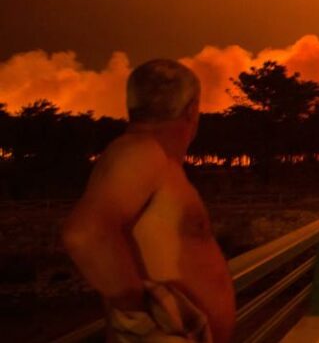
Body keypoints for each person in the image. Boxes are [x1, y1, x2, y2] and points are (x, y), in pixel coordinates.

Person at [62, 59, 235, 342]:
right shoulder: (141, 153)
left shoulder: (154, 160)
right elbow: (84, 233)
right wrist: (143, 318)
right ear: (192, 109)